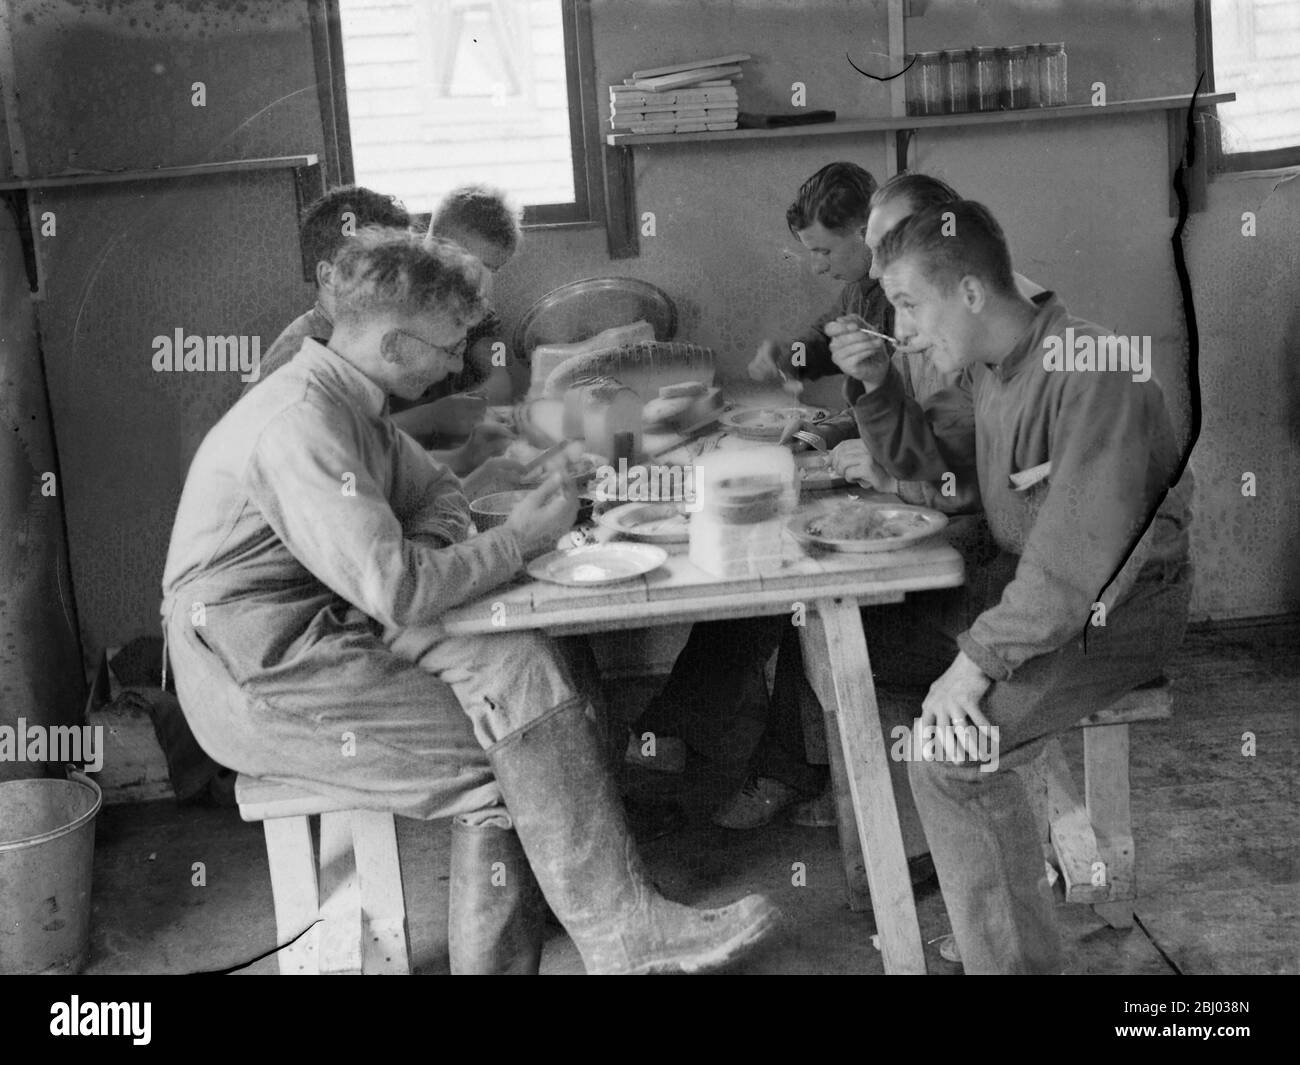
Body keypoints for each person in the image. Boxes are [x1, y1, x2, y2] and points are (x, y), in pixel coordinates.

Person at [161, 227, 778, 975]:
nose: (459, 362)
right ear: (395, 345)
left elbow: (441, 493)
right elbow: (401, 588)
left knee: (524, 665)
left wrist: (428, 543)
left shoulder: (352, 400)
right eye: (450, 345)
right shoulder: (301, 422)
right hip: (256, 670)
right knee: (513, 762)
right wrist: (515, 541)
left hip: (327, 626)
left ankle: (618, 924)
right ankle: (621, 936)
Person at [825, 200, 1192, 973]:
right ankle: (981, 879)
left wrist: (973, 664)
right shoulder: (990, 367)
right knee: (856, 650)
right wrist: (877, 389)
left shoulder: (1094, 370)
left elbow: (1076, 562)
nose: (903, 331)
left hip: (1116, 610)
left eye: (909, 306)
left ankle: (1010, 955)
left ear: (969, 292)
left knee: (947, 756)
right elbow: (943, 479)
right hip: (1025, 587)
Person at [246, 184, 510, 474]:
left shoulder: (367, 343)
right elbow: (340, 463)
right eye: (385, 272)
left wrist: (464, 458)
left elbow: (381, 458)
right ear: (329, 276)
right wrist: (432, 418)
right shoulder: (300, 363)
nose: (407, 284)